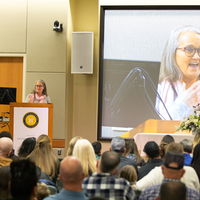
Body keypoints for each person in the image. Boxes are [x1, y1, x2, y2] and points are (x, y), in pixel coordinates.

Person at [156, 26, 200, 120]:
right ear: (172, 54)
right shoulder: (155, 92)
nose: (197, 56)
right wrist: (182, 105)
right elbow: (152, 131)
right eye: (189, 49)